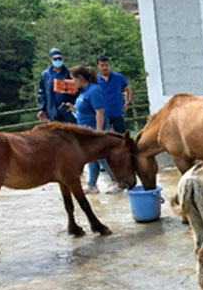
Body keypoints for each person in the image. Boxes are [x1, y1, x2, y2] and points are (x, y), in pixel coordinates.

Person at [64, 65, 119, 193]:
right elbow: (85, 108)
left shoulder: (94, 90)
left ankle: (116, 181)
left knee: (101, 157)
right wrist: (74, 108)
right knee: (91, 157)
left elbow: (99, 112)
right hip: (85, 131)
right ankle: (92, 185)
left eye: (73, 79)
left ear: (80, 78)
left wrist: (98, 133)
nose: (71, 82)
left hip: (94, 130)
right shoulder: (83, 91)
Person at [37, 48, 77, 123]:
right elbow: (42, 93)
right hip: (52, 110)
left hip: (67, 109)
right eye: (55, 59)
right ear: (50, 59)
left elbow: (76, 91)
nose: (58, 60)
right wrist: (42, 108)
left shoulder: (69, 73)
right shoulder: (46, 75)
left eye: (59, 58)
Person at [96, 55, 132, 134]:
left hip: (117, 112)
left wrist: (127, 102)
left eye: (107, 65)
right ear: (98, 66)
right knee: (105, 137)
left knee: (122, 136)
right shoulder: (95, 80)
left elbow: (128, 89)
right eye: (102, 65)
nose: (105, 67)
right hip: (103, 114)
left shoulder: (119, 77)